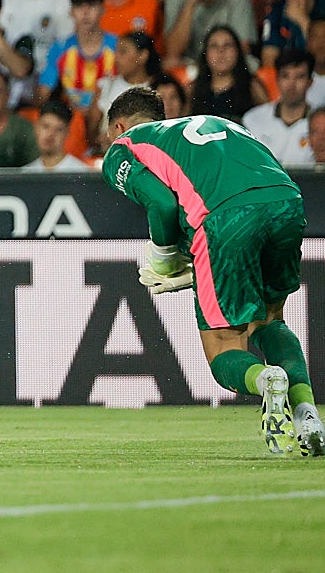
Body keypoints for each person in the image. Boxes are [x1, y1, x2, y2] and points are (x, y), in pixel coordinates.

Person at [102, 85, 323, 457]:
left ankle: (265, 378)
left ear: (118, 126)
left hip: (226, 218)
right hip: (285, 200)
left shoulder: (124, 145)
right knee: (270, 322)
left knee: (223, 350)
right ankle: (307, 415)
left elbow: (161, 203)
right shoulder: (216, 124)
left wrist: (163, 256)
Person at [37, 0, 117, 114]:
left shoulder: (117, 46)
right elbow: (43, 92)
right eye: (79, 6)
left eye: (91, 6)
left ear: (103, 10)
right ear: (71, 12)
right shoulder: (59, 48)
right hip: (70, 118)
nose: (85, 13)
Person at [243, 49, 315, 166]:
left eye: (299, 77)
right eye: (285, 76)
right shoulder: (252, 119)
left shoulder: (320, 124)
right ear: (277, 79)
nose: (292, 84)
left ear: (310, 82)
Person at [189, 25, 267, 123]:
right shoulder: (192, 90)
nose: (221, 51)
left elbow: (267, 125)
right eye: (214, 46)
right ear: (205, 53)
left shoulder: (253, 87)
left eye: (227, 45)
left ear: (238, 52)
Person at [22, 99, 88, 171]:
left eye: (58, 129)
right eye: (45, 126)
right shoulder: (26, 172)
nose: (50, 134)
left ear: (67, 133)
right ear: (36, 127)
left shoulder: (80, 172)